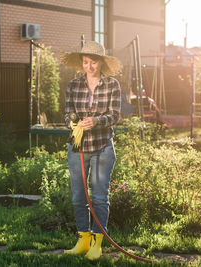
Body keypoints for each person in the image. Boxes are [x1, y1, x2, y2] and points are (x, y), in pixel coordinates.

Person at [61, 41, 122, 260]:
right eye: (85, 62)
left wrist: (96, 121)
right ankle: (83, 240)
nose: (89, 66)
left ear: (101, 62)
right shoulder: (74, 85)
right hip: (78, 147)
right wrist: (73, 120)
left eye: (93, 62)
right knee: (78, 195)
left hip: (102, 147)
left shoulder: (112, 85)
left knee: (98, 197)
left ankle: (97, 243)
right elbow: (67, 112)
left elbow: (116, 115)